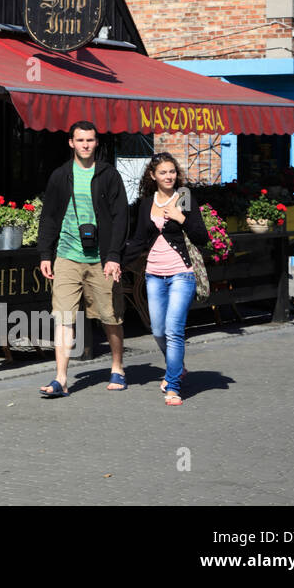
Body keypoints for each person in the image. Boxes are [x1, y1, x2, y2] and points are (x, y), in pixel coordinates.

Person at [36, 121, 129, 397]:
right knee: (63, 316)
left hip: (102, 258)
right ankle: (61, 379)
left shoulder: (109, 175)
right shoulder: (60, 176)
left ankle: (117, 367)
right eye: (80, 140)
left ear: (96, 143)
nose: (85, 145)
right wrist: (45, 253)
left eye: (90, 140)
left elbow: (121, 216)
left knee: (110, 316)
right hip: (66, 256)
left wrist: (114, 256)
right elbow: (49, 216)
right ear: (71, 143)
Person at [122, 153, 208, 406]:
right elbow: (138, 241)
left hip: (182, 273)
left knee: (174, 329)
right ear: (153, 175)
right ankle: (178, 367)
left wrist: (181, 217)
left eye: (172, 172)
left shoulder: (184, 198)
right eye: (163, 172)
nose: (169, 176)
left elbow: (202, 237)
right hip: (154, 275)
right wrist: (117, 262)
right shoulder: (146, 203)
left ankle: (173, 385)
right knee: (158, 329)